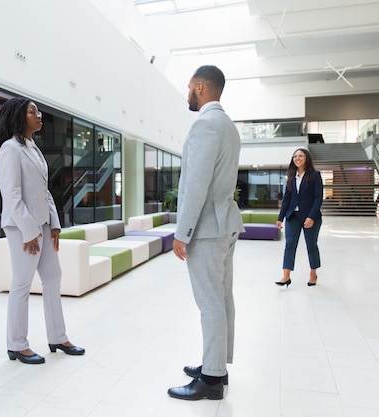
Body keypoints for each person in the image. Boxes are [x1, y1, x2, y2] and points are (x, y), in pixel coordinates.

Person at [167, 65, 244, 401]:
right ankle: (216, 365)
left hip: (207, 230)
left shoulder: (204, 125)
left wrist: (182, 232)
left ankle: (211, 379)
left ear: (200, 86)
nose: (187, 93)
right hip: (225, 224)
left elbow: (195, 185)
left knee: (210, 303)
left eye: (188, 87)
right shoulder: (228, 126)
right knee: (222, 298)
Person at [0, 97, 84, 365]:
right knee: (22, 283)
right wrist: (30, 231)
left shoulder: (32, 148)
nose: (39, 115)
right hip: (22, 228)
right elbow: (11, 195)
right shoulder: (10, 149)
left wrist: (53, 224)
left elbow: (43, 191)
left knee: (53, 277)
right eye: (32, 112)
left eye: (38, 111)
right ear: (19, 117)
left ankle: (58, 336)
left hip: (42, 225)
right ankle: (17, 344)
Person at [275, 147, 323, 287]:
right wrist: (280, 217)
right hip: (293, 216)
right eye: (295, 156)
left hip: (310, 216)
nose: (297, 158)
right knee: (289, 245)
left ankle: (313, 273)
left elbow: (318, 197)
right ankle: (286, 276)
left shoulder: (314, 175)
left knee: (311, 245)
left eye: (300, 156)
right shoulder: (291, 176)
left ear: (306, 158)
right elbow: (286, 199)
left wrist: (311, 216)